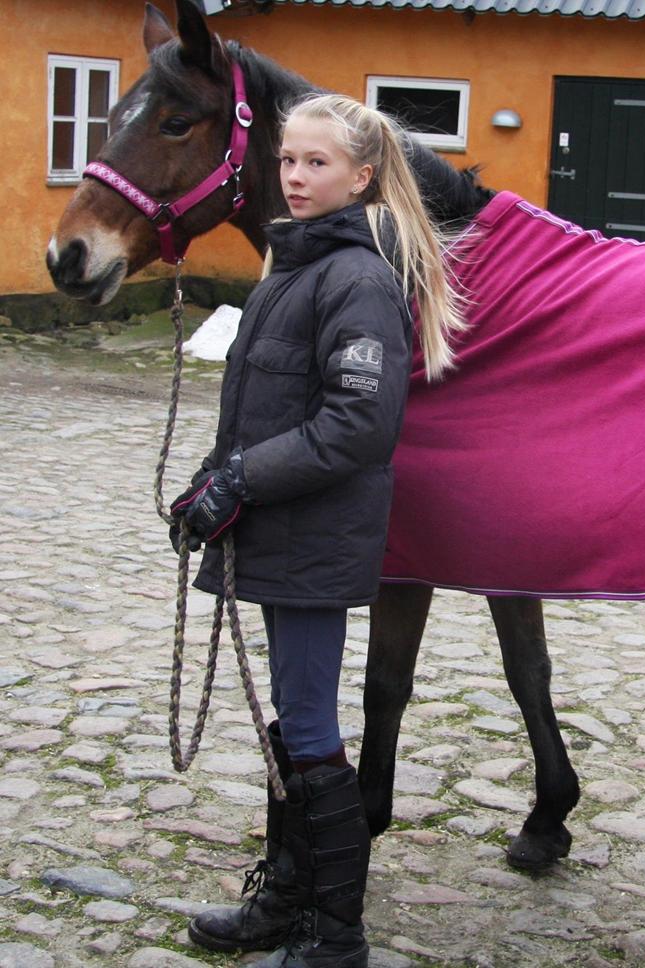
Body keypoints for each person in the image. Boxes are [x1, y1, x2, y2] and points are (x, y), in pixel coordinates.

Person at [169, 93, 465, 968]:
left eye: (318, 164)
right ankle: (287, 900)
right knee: (293, 725)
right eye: (289, 161)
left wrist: (241, 480)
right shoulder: (295, 267)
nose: (296, 178)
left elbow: (357, 425)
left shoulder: (357, 278)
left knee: (309, 731)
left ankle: (337, 937)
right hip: (283, 531)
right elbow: (268, 408)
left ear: (362, 177)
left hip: (314, 537)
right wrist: (211, 478)